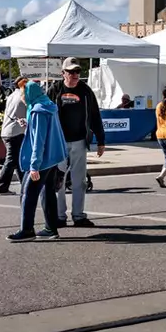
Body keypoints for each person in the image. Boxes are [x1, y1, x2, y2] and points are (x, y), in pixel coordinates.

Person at [47, 58, 104, 227]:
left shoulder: (85, 91)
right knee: (59, 181)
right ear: (63, 73)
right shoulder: (55, 90)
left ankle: (78, 215)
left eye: (77, 72)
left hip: (79, 141)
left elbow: (95, 115)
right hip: (59, 142)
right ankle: (59, 216)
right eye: (71, 72)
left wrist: (101, 140)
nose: (74, 75)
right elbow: (45, 114)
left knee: (80, 181)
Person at [9, 81, 68, 242]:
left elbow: (38, 141)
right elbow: (45, 133)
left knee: (28, 193)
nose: (21, 97)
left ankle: (27, 230)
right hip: (52, 157)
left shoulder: (37, 111)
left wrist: (34, 166)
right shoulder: (47, 105)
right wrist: (28, 125)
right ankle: (51, 228)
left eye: (22, 94)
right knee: (47, 193)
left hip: (41, 160)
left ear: (29, 94)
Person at [0, 77, 29, 196]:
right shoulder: (22, 98)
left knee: (18, 160)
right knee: (12, 160)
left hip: (7, 131)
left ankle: (25, 185)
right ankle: (1, 187)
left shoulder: (12, 96)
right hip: (15, 132)